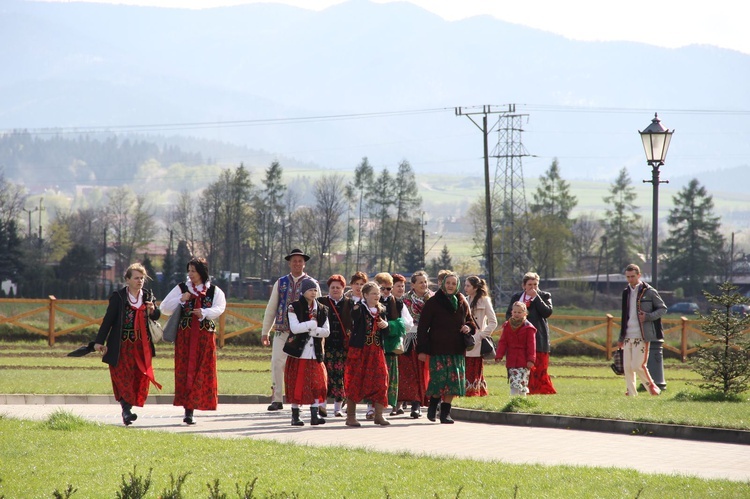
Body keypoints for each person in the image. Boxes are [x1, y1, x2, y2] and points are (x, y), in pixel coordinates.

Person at [94, 263, 163, 426]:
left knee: (139, 377)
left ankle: (128, 408)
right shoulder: (118, 297)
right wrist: (99, 342)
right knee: (123, 377)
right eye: (136, 278)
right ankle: (126, 410)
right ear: (127, 279)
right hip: (122, 345)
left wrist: (153, 310)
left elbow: (157, 316)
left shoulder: (147, 296)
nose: (140, 281)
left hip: (141, 346)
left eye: (142, 278)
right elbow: (108, 321)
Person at [159, 257, 226, 425]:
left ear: (202, 272)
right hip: (186, 336)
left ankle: (197, 404)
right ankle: (188, 410)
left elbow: (220, 307)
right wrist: (181, 299)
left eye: (193, 271)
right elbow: (164, 308)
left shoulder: (214, 290)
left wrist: (204, 312)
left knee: (202, 369)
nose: (190, 274)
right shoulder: (182, 288)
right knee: (185, 369)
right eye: (189, 271)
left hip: (204, 336)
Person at [260, 249, 320, 411]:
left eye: (300, 261)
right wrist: (265, 331)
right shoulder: (281, 282)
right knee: (277, 363)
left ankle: (302, 398)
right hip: (282, 330)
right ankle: (277, 398)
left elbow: (319, 308)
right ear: (289, 263)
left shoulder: (312, 283)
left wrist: (318, 331)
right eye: (294, 261)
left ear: (304, 263)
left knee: (303, 366)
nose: (297, 264)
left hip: (304, 333)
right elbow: (272, 308)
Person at [417, 271, 475, 424]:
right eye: (448, 283)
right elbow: (422, 328)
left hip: (457, 349)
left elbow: (471, 322)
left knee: (453, 382)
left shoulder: (462, 301)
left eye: (453, 284)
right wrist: (422, 350)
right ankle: (433, 406)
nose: (450, 286)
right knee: (439, 380)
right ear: (443, 284)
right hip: (438, 349)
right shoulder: (433, 302)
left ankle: (445, 413)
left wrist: (468, 328)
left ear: (457, 286)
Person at [344, 281, 391, 427]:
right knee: (355, 381)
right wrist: (358, 303)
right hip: (360, 350)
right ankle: (350, 416)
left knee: (381, 381)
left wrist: (386, 325)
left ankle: (378, 415)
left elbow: (386, 332)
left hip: (376, 351)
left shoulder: (382, 310)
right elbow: (354, 316)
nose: (377, 295)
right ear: (365, 295)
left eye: (378, 293)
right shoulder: (359, 308)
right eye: (374, 293)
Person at [285, 278, 330, 426]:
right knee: (298, 384)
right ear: (303, 291)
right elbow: (295, 328)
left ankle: (314, 414)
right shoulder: (294, 307)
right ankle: (295, 415)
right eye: (310, 290)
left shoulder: (323, 309)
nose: (313, 292)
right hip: (299, 353)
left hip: (315, 353)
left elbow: (326, 331)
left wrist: (313, 331)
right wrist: (312, 324)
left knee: (318, 384)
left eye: (315, 290)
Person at [617, 264, 666, 396]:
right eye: (628, 277)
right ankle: (631, 393)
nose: (630, 279)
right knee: (627, 367)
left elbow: (662, 308)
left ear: (639, 275)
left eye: (632, 276)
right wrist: (621, 337)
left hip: (642, 335)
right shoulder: (626, 292)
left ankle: (652, 388)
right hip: (628, 334)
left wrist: (648, 317)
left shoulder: (649, 291)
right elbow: (624, 315)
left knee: (638, 365)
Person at [506, 272, 556, 394]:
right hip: (519, 338)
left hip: (538, 338)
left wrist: (536, 298)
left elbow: (547, 312)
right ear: (524, 285)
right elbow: (508, 314)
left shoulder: (544, 296)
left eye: (535, 284)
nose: (532, 287)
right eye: (529, 284)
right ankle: (521, 389)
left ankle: (539, 391)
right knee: (521, 367)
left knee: (538, 368)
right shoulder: (516, 297)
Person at [374, 272, 413, 417]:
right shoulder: (368, 303)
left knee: (391, 377)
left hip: (390, 347)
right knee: (375, 377)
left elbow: (408, 323)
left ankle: (391, 405)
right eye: (382, 288)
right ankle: (373, 408)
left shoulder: (398, 303)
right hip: (374, 346)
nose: (385, 292)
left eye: (388, 289)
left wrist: (390, 325)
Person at [318, 274, 353, 417]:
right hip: (324, 345)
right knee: (323, 376)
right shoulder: (321, 302)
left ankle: (338, 408)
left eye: (338, 287)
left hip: (342, 347)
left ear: (343, 288)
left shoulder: (349, 303)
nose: (335, 290)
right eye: (333, 287)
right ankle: (322, 406)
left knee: (340, 376)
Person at [399, 270, 432, 418]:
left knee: (424, 372)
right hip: (409, 340)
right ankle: (414, 404)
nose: (424, 285)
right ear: (412, 285)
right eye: (420, 282)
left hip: (427, 340)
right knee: (411, 373)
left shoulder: (433, 299)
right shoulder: (404, 300)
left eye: (425, 282)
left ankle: (425, 402)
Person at [464, 276, 497, 397]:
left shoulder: (484, 300)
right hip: (465, 340)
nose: (465, 288)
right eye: (465, 285)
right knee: (465, 366)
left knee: (474, 366)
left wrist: (481, 335)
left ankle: (474, 392)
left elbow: (493, 322)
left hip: (477, 341)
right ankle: (467, 392)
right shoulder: (465, 300)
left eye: (468, 285)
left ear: (475, 287)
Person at [496, 301, 537, 396]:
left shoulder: (529, 328)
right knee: (514, 382)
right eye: (515, 312)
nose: (517, 314)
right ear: (511, 312)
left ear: (525, 313)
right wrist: (499, 355)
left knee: (522, 383)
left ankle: (522, 401)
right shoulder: (507, 325)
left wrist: (531, 359)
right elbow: (503, 342)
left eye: (519, 312)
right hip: (511, 359)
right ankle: (513, 401)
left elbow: (531, 345)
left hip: (524, 360)